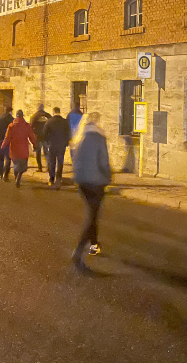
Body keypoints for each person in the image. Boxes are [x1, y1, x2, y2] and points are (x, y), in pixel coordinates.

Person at [71, 112, 112, 271]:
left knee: (92, 212)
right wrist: (108, 176)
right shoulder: (99, 138)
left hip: (82, 181)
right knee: (92, 216)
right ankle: (79, 250)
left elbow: (75, 160)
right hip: (96, 182)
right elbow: (103, 162)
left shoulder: (79, 137)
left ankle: (94, 244)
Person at [1, 110, 37, 188]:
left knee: (16, 163)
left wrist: (3, 145)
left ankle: (16, 175)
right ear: (22, 116)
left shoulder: (11, 126)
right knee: (23, 164)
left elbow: (7, 137)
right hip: (24, 147)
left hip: (14, 147)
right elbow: (31, 136)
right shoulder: (27, 126)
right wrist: (35, 144)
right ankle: (19, 176)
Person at [43, 107, 70, 189]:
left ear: (53, 112)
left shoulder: (49, 122)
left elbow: (44, 134)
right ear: (59, 112)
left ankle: (51, 179)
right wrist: (66, 143)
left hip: (52, 145)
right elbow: (68, 133)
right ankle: (58, 178)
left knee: (52, 162)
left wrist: (48, 142)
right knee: (60, 162)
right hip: (61, 145)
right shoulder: (65, 122)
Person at [0, 106, 14, 181]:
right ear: (10, 111)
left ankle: (0, 174)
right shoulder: (11, 120)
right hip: (8, 142)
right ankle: (6, 174)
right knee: (8, 158)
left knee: (1, 158)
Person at [30, 104, 51, 172]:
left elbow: (31, 127)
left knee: (38, 153)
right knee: (47, 153)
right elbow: (51, 125)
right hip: (46, 137)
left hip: (38, 137)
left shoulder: (34, 116)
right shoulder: (48, 116)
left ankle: (40, 167)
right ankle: (49, 167)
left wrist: (33, 134)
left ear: (37, 108)